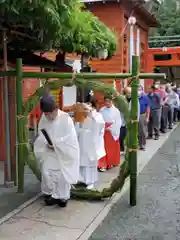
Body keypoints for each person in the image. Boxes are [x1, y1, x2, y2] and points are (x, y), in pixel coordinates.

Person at [34, 95, 80, 207]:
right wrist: (46, 143)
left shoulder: (66, 119)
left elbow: (71, 138)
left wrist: (57, 144)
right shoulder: (44, 118)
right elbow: (41, 134)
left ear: (55, 109)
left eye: (50, 113)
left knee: (61, 176)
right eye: (45, 114)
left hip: (63, 153)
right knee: (46, 172)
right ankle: (49, 194)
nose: (48, 116)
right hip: (49, 152)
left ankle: (63, 198)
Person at [75, 102, 105, 189]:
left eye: (86, 109)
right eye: (83, 109)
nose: (85, 111)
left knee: (90, 162)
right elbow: (77, 127)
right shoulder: (80, 116)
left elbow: (100, 126)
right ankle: (81, 179)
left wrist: (92, 116)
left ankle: (90, 181)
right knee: (81, 161)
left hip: (92, 143)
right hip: (82, 141)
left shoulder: (97, 116)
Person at [98, 95, 121, 171]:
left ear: (112, 101)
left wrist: (111, 128)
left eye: (109, 101)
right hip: (103, 131)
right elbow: (99, 121)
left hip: (112, 132)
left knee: (111, 149)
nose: (107, 103)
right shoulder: (101, 110)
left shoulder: (116, 111)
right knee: (103, 148)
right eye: (106, 101)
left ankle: (111, 162)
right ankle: (103, 164)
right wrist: (103, 127)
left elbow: (118, 122)